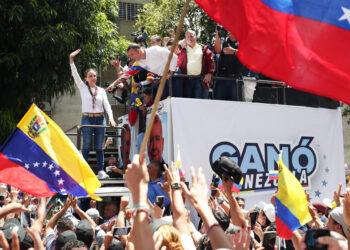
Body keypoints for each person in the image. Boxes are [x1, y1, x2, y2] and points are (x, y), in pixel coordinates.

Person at [69, 49, 116, 179]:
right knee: (87, 145)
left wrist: (111, 119)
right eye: (90, 76)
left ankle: (101, 171)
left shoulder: (101, 91)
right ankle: (83, 170)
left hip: (100, 119)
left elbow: (107, 105)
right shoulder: (82, 87)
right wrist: (71, 60)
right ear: (86, 78)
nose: (93, 78)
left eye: (94, 76)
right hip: (87, 119)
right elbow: (75, 74)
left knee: (100, 146)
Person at [107, 44, 177, 100]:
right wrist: (113, 84)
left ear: (138, 51)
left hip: (175, 74)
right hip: (164, 79)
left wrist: (170, 72)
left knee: (177, 100)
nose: (131, 58)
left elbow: (174, 57)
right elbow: (126, 75)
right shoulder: (139, 63)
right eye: (129, 56)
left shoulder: (155, 50)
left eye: (132, 54)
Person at [177, 29, 215, 99]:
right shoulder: (183, 50)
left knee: (200, 106)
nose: (190, 38)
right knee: (187, 105)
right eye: (188, 37)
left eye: (191, 36)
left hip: (200, 81)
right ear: (185, 39)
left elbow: (212, 61)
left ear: (196, 37)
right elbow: (178, 64)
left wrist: (210, 73)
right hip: (186, 81)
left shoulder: (203, 48)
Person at [214, 28, 244, 101]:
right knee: (219, 103)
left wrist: (234, 52)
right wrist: (217, 35)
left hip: (236, 79)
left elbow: (247, 55)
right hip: (222, 78)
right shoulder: (223, 41)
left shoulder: (243, 42)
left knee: (234, 105)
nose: (229, 30)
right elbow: (217, 50)